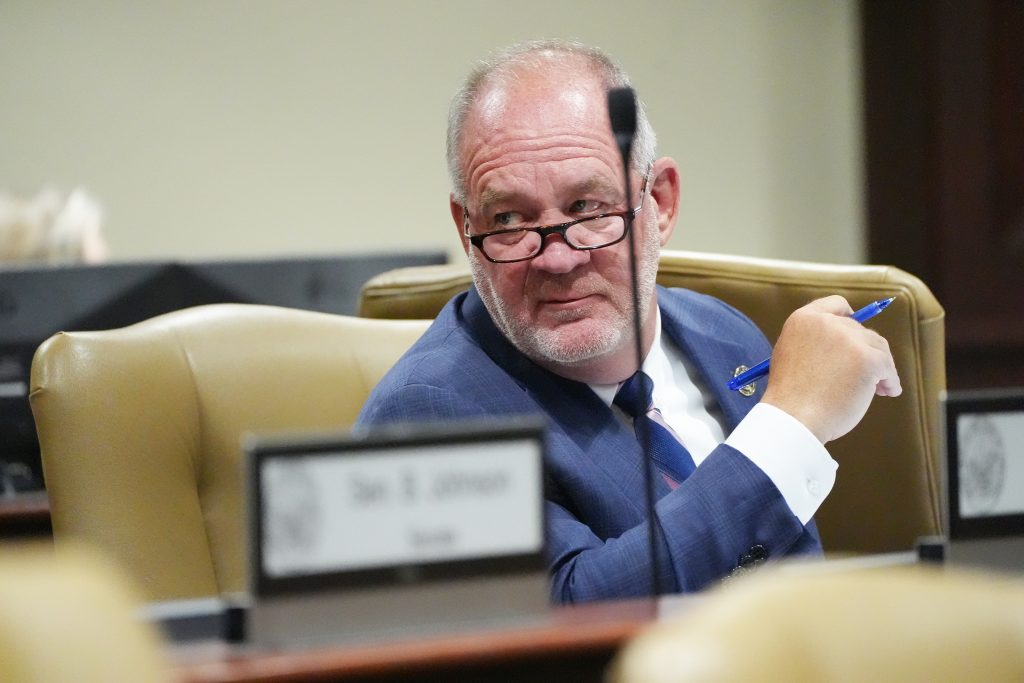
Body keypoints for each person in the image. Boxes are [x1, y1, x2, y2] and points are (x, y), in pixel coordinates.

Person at [357, 40, 901, 603]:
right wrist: (790, 425)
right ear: (464, 227)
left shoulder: (725, 336)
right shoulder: (426, 414)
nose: (557, 258)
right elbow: (571, 614)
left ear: (660, 204)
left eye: (588, 208)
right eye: (509, 219)